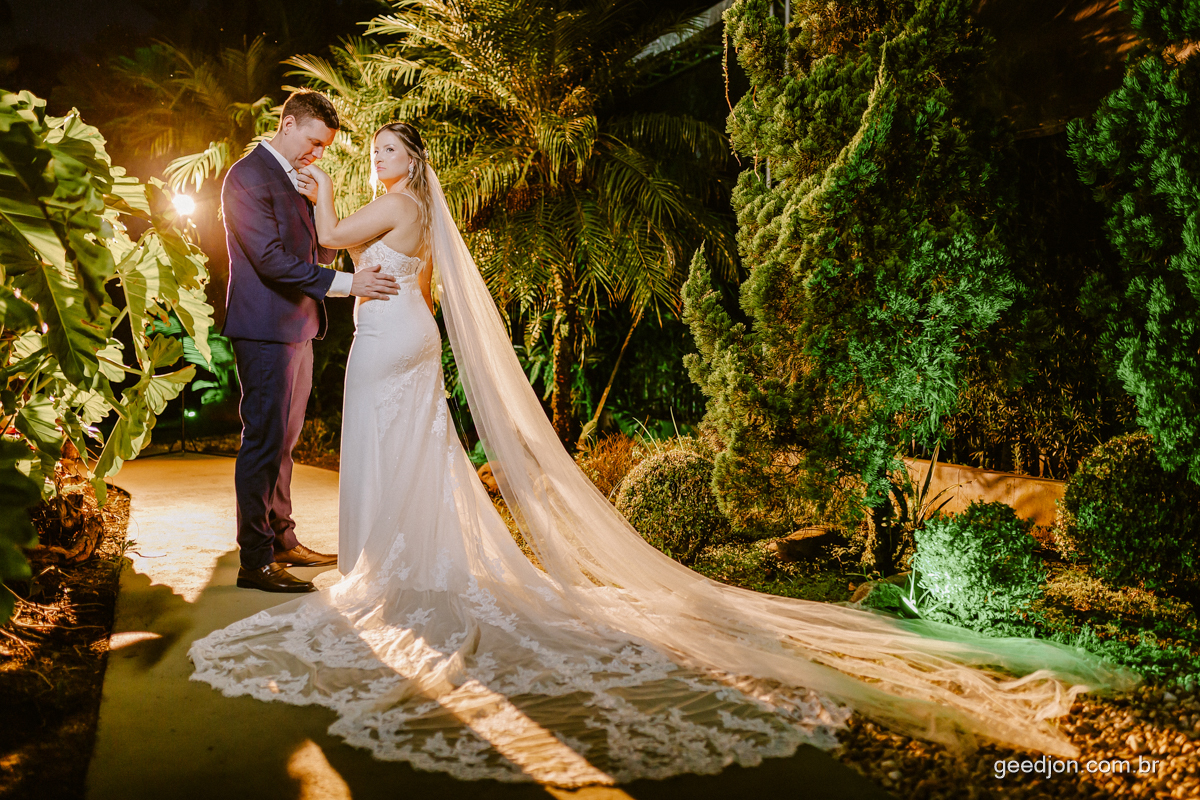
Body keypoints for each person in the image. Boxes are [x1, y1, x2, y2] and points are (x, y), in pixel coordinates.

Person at [191, 122, 1137, 786]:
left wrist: (318, 192)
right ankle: (408, 563)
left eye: (389, 151)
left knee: (393, 448)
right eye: (372, 151)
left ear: (413, 165)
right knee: (416, 454)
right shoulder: (422, 213)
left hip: (389, 340)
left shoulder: (392, 206)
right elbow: (382, 271)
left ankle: (397, 571)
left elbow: (325, 241)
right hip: (407, 333)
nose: (376, 158)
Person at [220, 89, 398, 593]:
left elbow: (317, 245)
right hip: (264, 329)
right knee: (263, 441)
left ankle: (282, 539)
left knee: (285, 441)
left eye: (324, 147)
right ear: (289, 124)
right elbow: (270, 259)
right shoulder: (246, 176)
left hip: (298, 326)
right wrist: (349, 285)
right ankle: (255, 561)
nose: (318, 154)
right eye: (314, 142)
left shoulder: (298, 177)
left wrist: (324, 202)